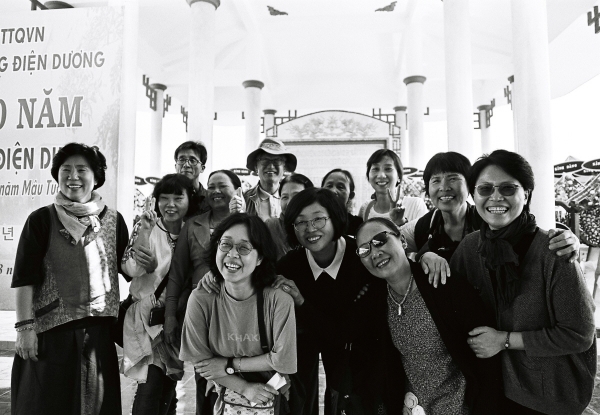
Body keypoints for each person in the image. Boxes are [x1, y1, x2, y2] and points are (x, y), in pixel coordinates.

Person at [451, 150, 596, 415]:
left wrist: (504, 340)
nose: (496, 197)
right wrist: (427, 258)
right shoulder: (470, 249)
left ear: (526, 194)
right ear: (474, 195)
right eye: (485, 189)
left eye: (508, 188)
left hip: (545, 396)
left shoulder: (554, 251)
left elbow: (579, 334)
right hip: (490, 389)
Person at [11, 143, 130, 415]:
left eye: (81, 170)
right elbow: (24, 278)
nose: (72, 176)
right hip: (51, 336)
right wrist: (24, 329)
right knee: (47, 406)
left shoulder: (114, 220)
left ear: (96, 177)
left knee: (94, 407)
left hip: (97, 336)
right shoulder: (41, 219)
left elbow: (129, 269)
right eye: (66, 170)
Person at [356, 218, 505, 415]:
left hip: (459, 407)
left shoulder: (441, 280)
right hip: (413, 408)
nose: (375, 253)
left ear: (402, 240)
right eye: (364, 250)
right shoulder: (375, 300)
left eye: (380, 240)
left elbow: (485, 357)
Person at [273, 188, 387, 415]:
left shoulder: (361, 256)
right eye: (301, 222)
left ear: (334, 218)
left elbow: (348, 332)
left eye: (318, 219)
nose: (310, 229)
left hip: (361, 358)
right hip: (311, 354)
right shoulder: (289, 266)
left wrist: (302, 302)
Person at [405, 151, 581, 286]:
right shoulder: (421, 227)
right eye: (435, 180)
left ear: (470, 187)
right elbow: (396, 248)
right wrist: (422, 257)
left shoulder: (490, 219)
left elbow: (531, 240)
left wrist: (569, 240)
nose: (444, 187)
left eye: (453, 179)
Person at [179, 213, 297, 412]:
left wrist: (229, 364)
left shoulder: (278, 300)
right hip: (220, 397)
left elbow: (284, 361)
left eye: (243, 248)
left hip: (269, 397)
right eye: (225, 244)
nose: (232, 254)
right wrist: (244, 388)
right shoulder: (201, 299)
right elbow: (202, 363)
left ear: (260, 258)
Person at [164, 169, 242, 414]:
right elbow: (177, 273)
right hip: (201, 312)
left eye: (222, 186)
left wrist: (240, 217)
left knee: (235, 375)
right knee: (204, 378)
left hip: (239, 312)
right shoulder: (192, 225)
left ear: (237, 191)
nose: (216, 191)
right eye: (211, 186)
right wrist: (170, 315)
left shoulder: (247, 223)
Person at [121, 174, 195, 415]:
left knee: (168, 385)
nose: (170, 204)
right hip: (147, 319)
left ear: (189, 200)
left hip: (175, 318)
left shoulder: (193, 231)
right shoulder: (147, 226)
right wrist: (144, 232)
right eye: (164, 198)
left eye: (178, 198)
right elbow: (131, 269)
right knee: (151, 383)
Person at [230, 138, 297, 221]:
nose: (271, 166)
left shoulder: (294, 199)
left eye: (277, 161)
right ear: (256, 167)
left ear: (284, 167)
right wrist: (236, 215)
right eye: (265, 161)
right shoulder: (244, 200)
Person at [358, 149, 428, 225]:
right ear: (368, 176)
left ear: (398, 176)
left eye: (388, 169)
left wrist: (401, 222)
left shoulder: (415, 205)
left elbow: (423, 232)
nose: (381, 175)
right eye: (375, 169)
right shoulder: (365, 209)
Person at [265, 173, 314, 260]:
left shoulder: (318, 227)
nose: (290, 202)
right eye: (284, 197)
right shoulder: (270, 226)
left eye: (296, 196)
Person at [321, 168, 363, 237]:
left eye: (340, 187)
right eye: (329, 186)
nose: (333, 191)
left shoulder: (358, 225)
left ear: (351, 195)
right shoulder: (313, 221)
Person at [174, 141, 210, 215]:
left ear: (202, 168)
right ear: (175, 166)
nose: (186, 165)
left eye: (192, 160)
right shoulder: (164, 195)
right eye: (181, 160)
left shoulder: (210, 200)